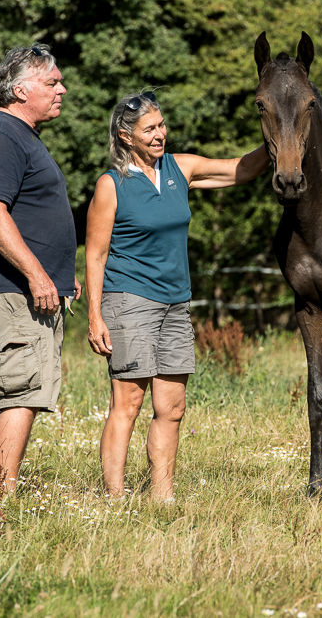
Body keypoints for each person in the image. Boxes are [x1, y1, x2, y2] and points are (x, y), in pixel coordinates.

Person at [85, 90, 269, 501]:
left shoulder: (179, 168)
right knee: (128, 403)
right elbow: (95, 255)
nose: (160, 134)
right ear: (126, 135)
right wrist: (95, 316)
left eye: (162, 125)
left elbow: (243, 169)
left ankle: (162, 497)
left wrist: (280, 128)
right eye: (149, 129)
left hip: (175, 303)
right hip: (128, 301)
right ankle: (114, 499)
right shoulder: (112, 184)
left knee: (172, 408)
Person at [0, 43, 81, 492]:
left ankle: (1, 489)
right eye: (51, 83)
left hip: (33, 288)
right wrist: (36, 273)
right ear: (18, 89)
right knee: (20, 391)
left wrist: (60, 273)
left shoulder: (21, 136)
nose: (61, 90)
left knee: (29, 391)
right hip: (14, 290)